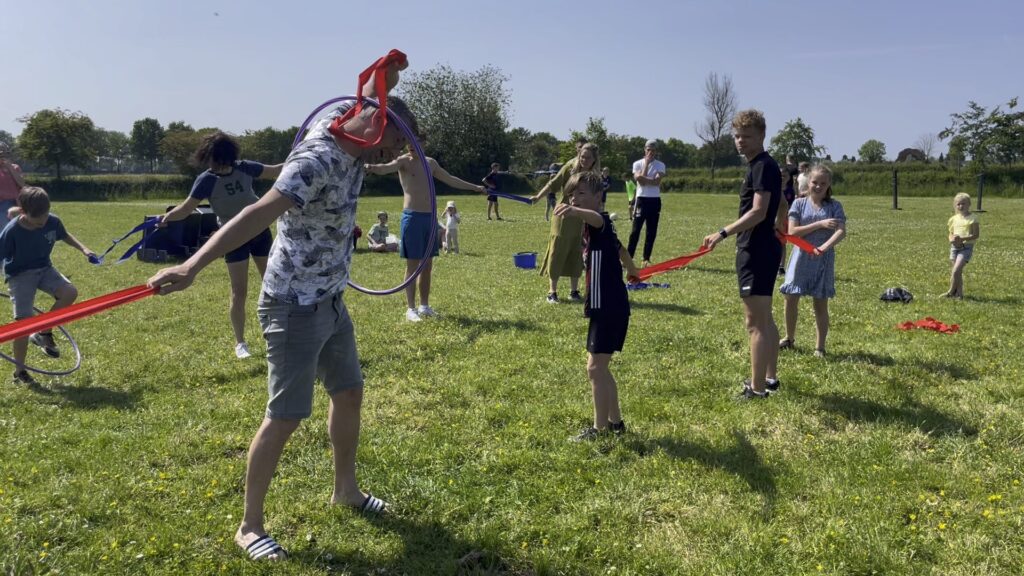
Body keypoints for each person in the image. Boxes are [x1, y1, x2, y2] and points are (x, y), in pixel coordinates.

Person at [148, 87, 418, 562]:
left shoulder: (347, 118)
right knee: (286, 415)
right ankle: (249, 525)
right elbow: (257, 213)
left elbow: (366, 95)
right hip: (294, 302)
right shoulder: (314, 160)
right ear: (376, 126)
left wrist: (386, 80)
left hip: (330, 295)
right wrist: (191, 266)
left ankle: (346, 491)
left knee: (349, 392)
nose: (398, 155)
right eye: (398, 142)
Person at [159, 131, 283, 360]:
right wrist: (165, 219)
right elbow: (186, 208)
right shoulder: (206, 180)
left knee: (272, 286)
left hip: (259, 232)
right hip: (231, 237)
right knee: (239, 291)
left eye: (217, 159)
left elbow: (276, 170)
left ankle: (274, 336)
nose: (214, 164)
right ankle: (240, 343)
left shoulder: (245, 167)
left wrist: (301, 157)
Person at [702, 109, 788, 400]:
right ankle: (770, 378)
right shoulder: (764, 166)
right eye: (737, 136)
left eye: (747, 136)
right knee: (765, 319)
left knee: (755, 324)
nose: (741, 142)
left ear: (762, 136)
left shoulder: (762, 166)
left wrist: (722, 232)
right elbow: (780, 206)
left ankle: (757, 388)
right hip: (764, 247)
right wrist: (781, 227)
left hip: (756, 250)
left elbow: (759, 210)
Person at [552, 171, 640, 441]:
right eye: (571, 194)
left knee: (595, 369)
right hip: (607, 305)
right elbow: (621, 248)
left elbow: (594, 217)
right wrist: (633, 270)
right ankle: (615, 424)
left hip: (609, 306)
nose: (574, 198)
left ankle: (600, 430)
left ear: (598, 197)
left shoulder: (599, 220)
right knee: (600, 368)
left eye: (581, 194)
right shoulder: (598, 228)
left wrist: (574, 210)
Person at [367, 146, 485, 322]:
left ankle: (424, 306)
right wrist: (368, 166)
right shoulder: (403, 161)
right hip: (412, 217)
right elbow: (385, 169)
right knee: (412, 265)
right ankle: (411, 309)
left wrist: (475, 187)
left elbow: (450, 179)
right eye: (409, 143)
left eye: (416, 143)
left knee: (427, 265)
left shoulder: (430, 163)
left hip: (429, 218)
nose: (412, 147)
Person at [1, 187, 96, 385]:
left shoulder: (52, 220)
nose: (43, 223)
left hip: (45, 268)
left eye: (45, 217)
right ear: (24, 213)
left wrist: (85, 249)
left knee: (70, 292)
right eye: (38, 222)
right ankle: (20, 370)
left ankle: (43, 332)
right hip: (20, 275)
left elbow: (65, 235)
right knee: (23, 324)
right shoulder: (12, 231)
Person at [778, 165, 846, 357]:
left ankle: (820, 347)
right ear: (808, 182)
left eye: (823, 183)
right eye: (815, 182)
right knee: (790, 299)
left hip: (823, 259)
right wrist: (820, 224)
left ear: (829, 185)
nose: (818, 186)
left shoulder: (835, 206)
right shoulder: (798, 204)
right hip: (800, 257)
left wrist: (824, 247)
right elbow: (792, 232)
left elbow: (841, 231)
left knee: (820, 304)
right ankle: (789, 339)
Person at [530, 143, 601, 303]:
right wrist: (538, 196)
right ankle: (552, 292)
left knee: (576, 249)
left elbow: (596, 197)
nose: (584, 159)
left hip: (581, 216)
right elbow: (553, 184)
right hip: (562, 214)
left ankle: (574, 291)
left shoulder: (594, 174)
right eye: (582, 156)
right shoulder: (569, 167)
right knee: (558, 248)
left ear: (595, 159)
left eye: (588, 157)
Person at [628, 140, 666, 267]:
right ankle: (629, 257)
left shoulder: (661, 165)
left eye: (653, 150)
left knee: (651, 231)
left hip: (654, 200)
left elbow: (656, 182)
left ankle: (646, 258)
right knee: (635, 231)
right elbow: (641, 182)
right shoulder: (637, 164)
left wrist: (644, 178)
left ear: (656, 151)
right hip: (641, 200)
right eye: (648, 149)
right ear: (645, 149)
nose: (651, 152)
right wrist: (647, 164)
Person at [945, 192, 980, 299]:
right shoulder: (954, 218)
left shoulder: (973, 218)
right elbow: (950, 233)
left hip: (966, 248)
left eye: (963, 204)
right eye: (958, 204)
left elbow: (975, 235)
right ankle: (959, 294)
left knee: (956, 270)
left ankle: (950, 291)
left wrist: (962, 239)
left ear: (969, 204)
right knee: (957, 272)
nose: (961, 206)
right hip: (955, 247)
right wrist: (952, 239)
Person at [0, 144, 26, 226]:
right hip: (2, 204)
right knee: (5, 228)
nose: (3, 157)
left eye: (5, 154)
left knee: (19, 227)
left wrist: (10, 167)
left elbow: (22, 183)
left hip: (18, 202)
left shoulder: (15, 167)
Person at [778, 166, 798, 275]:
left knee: (782, 243)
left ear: (789, 177)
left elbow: (792, 205)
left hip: (784, 220)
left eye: (784, 176)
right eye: (780, 175)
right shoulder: (772, 188)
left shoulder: (790, 190)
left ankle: (781, 266)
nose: (782, 177)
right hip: (772, 219)